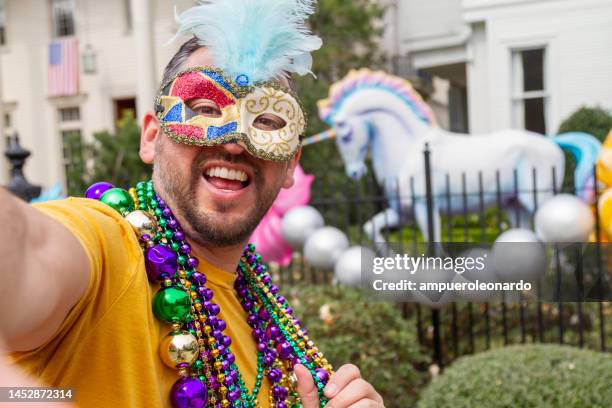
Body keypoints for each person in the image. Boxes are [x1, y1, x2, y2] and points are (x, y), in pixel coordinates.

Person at [0, 1, 384, 407]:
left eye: (266, 122)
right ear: (151, 137)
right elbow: (27, 250)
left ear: (290, 164)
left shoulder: (268, 323)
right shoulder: (108, 247)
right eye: (203, 109)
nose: (234, 142)